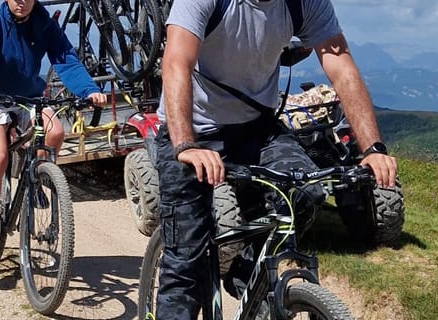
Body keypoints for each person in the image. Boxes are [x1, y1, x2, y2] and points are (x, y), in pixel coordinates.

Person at [154, 0, 399, 317]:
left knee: (306, 193)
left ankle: (246, 272)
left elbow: (342, 67)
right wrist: (186, 145)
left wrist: (372, 149)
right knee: (186, 261)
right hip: (192, 130)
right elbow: (176, 63)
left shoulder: (305, 3)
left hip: (257, 129)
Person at [0, 0, 108, 258]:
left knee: (54, 133)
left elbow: (66, 61)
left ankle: (37, 178)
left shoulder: (45, 25)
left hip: (29, 98)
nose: (21, 1)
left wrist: (90, 90)